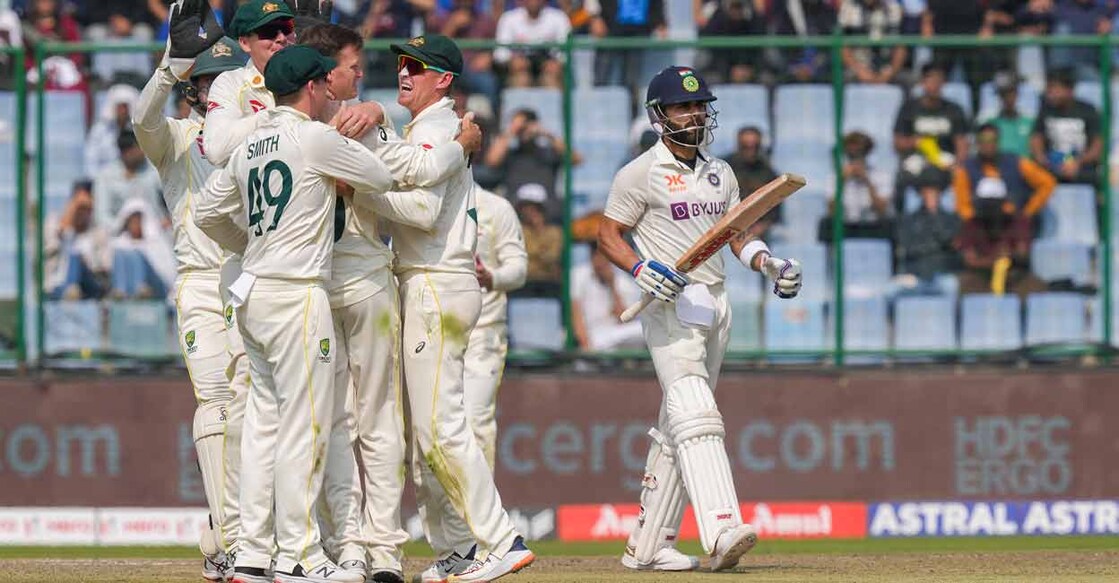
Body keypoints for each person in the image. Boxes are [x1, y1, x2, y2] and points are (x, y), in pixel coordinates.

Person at [195, 44, 396, 583]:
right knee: (305, 426)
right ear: (310, 88)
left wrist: (251, 246)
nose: (333, 93)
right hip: (298, 294)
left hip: (255, 294)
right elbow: (380, 177)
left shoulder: (249, 142)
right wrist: (372, 118)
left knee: (261, 425)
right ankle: (301, 555)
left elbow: (207, 211)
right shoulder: (313, 137)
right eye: (326, 86)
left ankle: (254, 553)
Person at [597, 66, 802, 572]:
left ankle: (648, 546)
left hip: (716, 303)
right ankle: (721, 527)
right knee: (696, 413)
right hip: (671, 302)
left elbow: (732, 235)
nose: (693, 114)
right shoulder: (640, 172)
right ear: (659, 115)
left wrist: (768, 262)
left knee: (676, 427)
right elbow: (608, 235)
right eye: (682, 107)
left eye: (698, 106)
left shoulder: (721, 172)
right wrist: (642, 268)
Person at [299, 22, 482, 583]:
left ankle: (373, 549)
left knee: (372, 423)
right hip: (325, 279)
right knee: (339, 421)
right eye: (357, 66)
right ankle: (351, 545)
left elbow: (420, 196)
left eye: (413, 66)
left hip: (356, 277)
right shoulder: (308, 121)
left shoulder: (371, 122)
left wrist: (380, 126)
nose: (374, 73)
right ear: (326, 74)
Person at [380, 34, 534, 582]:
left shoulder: (442, 127)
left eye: (416, 67)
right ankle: (459, 548)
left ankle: (501, 540)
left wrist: (355, 184)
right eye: (401, 63)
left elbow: (421, 212)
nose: (403, 73)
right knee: (427, 433)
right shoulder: (431, 128)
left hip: (437, 283)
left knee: (442, 427)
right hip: (429, 281)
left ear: (443, 79)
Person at [132, 2, 249, 578]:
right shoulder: (176, 137)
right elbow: (141, 122)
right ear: (192, 89)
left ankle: (261, 533)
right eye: (206, 80)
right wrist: (168, 67)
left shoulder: (255, 128)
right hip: (203, 284)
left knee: (257, 410)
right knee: (217, 407)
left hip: (256, 280)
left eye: (223, 79)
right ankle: (229, 537)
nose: (215, 89)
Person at [465, 185, 527, 469]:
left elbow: (518, 269)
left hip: (483, 332)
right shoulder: (425, 200)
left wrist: (491, 277)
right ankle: (439, 514)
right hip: (429, 333)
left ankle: (479, 511)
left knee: (474, 422)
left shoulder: (495, 207)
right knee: (430, 430)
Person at [955, 123, 1056, 228]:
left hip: (1012, 222)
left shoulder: (1016, 163)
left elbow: (1047, 183)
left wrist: (1027, 212)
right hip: (980, 224)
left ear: (998, 141)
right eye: (983, 139)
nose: (988, 144)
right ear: (977, 142)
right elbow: (962, 205)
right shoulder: (967, 169)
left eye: (992, 139)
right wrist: (973, 220)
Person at [894, 171, 961, 297]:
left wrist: (934, 215)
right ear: (921, 193)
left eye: (934, 191)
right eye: (927, 191)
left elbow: (951, 242)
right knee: (891, 290)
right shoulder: (909, 220)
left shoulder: (952, 219)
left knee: (951, 286)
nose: (931, 195)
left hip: (941, 273)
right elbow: (908, 247)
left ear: (940, 193)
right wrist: (936, 247)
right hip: (914, 274)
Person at [1030, 68, 1102, 184]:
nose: (1050, 94)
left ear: (1069, 90)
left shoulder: (1087, 110)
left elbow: (1097, 145)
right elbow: (1036, 138)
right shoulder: (1046, 110)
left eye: (1055, 89)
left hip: (1082, 166)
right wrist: (1042, 159)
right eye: (1049, 89)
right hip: (1051, 165)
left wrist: (1078, 162)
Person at [571, 241, 645, 351]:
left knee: (643, 329)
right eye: (596, 255)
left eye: (604, 256)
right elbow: (575, 315)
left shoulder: (622, 280)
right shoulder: (579, 274)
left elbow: (623, 319)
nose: (599, 261)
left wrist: (612, 285)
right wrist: (586, 346)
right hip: (592, 336)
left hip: (616, 335)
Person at [820, 130, 893, 241]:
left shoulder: (881, 176)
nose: (854, 157)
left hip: (871, 227)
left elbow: (882, 210)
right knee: (825, 224)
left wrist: (867, 182)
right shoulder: (835, 177)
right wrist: (842, 182)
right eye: (851, 154)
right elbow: (832, 211)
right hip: (845, 226)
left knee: (890, 224)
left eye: (859, 153)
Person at [44, 181, 110, 300]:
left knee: (76, 258)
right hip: (57, 285)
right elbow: (48, 252)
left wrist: (86, 263)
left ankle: (72, 291)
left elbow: (105, 268)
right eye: (79, 207)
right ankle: (70, 291)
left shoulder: (98, 232)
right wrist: (66, 223)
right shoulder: (54, 224)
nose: (82, 213)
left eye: (86, 208)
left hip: (90, 286)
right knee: (73, 258)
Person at [93, 129, 165, 231]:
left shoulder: (156, 170)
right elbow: (101, 216)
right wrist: (123, 226)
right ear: (126, 152)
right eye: (139, 147)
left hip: (156, 232)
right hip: (120, 235)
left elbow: (172, 198)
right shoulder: (106, 177)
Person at [493, 0, 571, 88]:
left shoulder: (559, 17)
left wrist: (558, 62)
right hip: (521, 69)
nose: (533, 1)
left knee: (551, 79)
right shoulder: (509, 18)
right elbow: (500, 53)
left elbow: (566, 51)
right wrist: (511, 61)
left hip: (548, 67)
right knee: (521, 79)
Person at [839, 0, 907, 85]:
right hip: (857, 68)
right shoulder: (849, 6)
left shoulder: (893, 7)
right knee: (838, 80)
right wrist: (859, 70)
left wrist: (890, 72)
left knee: (908, 82)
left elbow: (901, 46)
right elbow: (842, 46)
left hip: (887, 68)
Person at [85, 83, 140, 177]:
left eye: (125, 106)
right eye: (119, 106)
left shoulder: (139, 131)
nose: (122, 111)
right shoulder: (99, 130)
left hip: (134, 180)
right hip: (104, 180)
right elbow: (90, 159)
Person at [516, 183, 563, 290]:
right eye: (525, 207)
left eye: (534, 208)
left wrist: (533, 254)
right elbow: (521, 263)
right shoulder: (517, 231)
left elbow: (552, 257)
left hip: (551, 286)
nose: (529, 212)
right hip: (523, 287)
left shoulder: (555, 232)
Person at [978, 71, 1034, 158]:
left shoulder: (1031, 122)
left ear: (1017, 94)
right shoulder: (990, 124)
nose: (1007, 98)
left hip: (1027, 168)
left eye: (1010, 93)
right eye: (1003, 94)